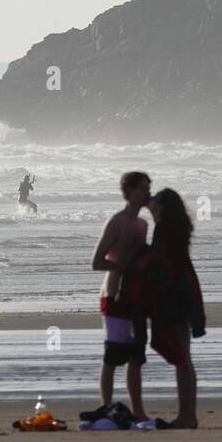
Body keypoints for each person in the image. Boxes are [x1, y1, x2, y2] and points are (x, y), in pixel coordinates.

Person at [129, 187, 205, 429]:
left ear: (160, 206)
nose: (149, 201)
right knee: (184, 358)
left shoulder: (165, 230)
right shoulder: (175, 228)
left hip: (175, 296)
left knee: (182, 359)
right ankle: (187, 415)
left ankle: (188, 416)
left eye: (153, 200)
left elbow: (162, 264)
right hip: (184, 292)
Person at [87, 171, 151, 423]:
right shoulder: (117, 222)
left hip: (136, 296)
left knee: (136, 355)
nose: (147, 192)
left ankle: (138, 411)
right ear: (130, 191)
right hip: (114, 296)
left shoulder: (143, 224)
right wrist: (122, 267)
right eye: (143, 188)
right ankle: (105, 406)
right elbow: (96, 262)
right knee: (113, 355)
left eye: (149, 187)